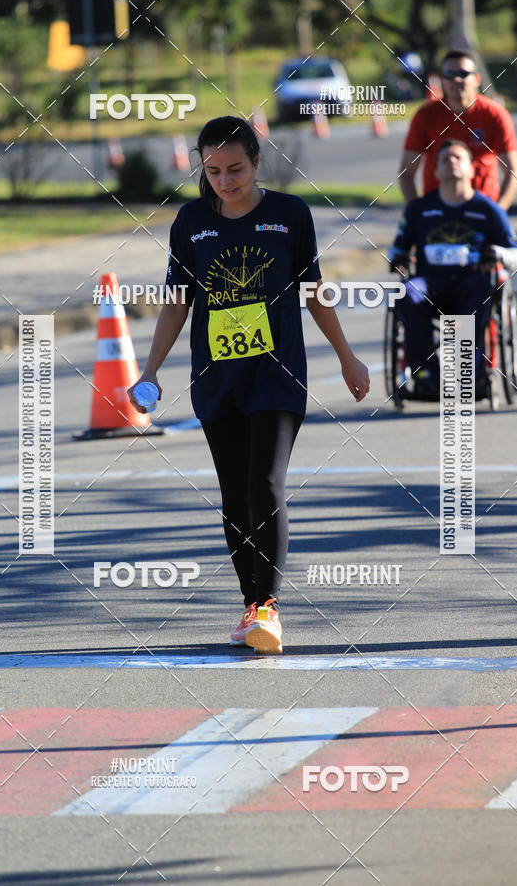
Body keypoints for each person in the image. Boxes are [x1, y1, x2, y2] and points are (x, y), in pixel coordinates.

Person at [128, 116, 369, 654]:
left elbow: (314, 292)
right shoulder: (191, 222)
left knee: (265, 482)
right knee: (234, 495)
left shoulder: (289, 215)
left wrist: (347, 357)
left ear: (257, 162)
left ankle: (268, 606)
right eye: (212, 170)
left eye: (235, 168)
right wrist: (149, 371)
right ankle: (250, 606)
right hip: (217, 378)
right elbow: (177, 303)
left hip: (277, 375)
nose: (224, 180)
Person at [388, 138, 517, 399]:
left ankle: (468, 371)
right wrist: (398, 259)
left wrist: (496, 253)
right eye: (444, 159)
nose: (450, 162)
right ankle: (425, 374)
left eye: (457, 157)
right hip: (430, 283)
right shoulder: (419, 209)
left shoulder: (489, 210)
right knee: (408, 291)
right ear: (436, 171)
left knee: (479, 290)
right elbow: (396, 250)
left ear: (472, 169)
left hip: (472, 282)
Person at [398, 49, 517, 211]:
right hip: (437, 211)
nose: (456, 79)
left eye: (463, 74)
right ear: (443, 80)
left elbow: (513, 172)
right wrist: (416, 213)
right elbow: (406, 171)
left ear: (477, 79)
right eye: (449, 74)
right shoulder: (425, 115)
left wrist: (498, 212)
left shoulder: (494, 114)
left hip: (482, 209)